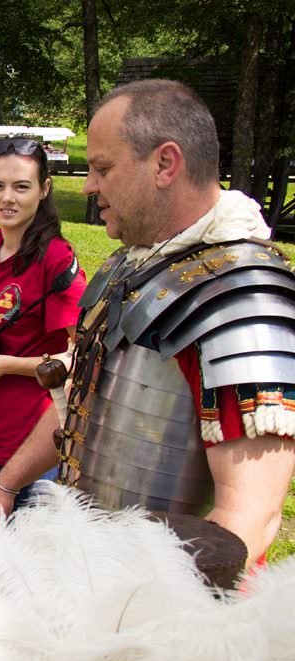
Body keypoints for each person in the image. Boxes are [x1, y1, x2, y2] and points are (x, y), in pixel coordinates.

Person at [60, 79, 295, 567]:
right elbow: (82, 411)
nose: (88, 185)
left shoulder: (238, 297)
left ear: (165, 164)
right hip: (89, 564)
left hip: (165, 602)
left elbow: (247, 517)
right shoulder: (134, 264)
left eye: (103, 168)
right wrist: (4, 486)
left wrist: (140, 620)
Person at [0, 137, 86, 516]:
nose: (6, 198)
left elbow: (84, 359)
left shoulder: (56, 260)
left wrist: (6, 364)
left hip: (30, 446)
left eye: (21, 186)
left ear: (44, 190)